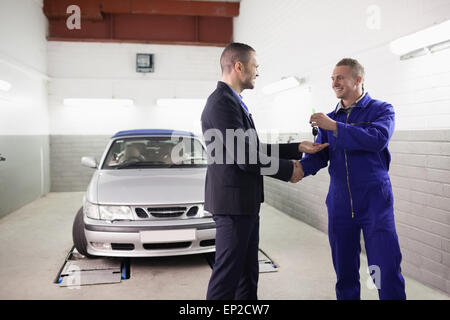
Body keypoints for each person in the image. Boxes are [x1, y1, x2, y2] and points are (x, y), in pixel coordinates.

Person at [200, 42, 328, 300]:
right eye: (255, 66)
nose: (258, 72)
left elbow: (254, 148)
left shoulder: (234, 102)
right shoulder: (222, 103)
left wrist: (296, 147)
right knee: (226, 280)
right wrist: (288, 171)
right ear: (239, 66)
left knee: (247, 275)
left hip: (244, 204)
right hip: (233, 206)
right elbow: (246, 158)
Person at [298, 58, 406, 300]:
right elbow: (320, 155)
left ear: (358, 80)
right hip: (340, 204)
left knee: (384, 270)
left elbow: (377, 139)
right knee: (345, 272)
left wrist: (335, 126)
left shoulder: (381, 110)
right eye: (333, 78)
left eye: (340, 78)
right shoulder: (329, 119)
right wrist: (297, 169)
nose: (335, 83)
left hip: (375, 203)